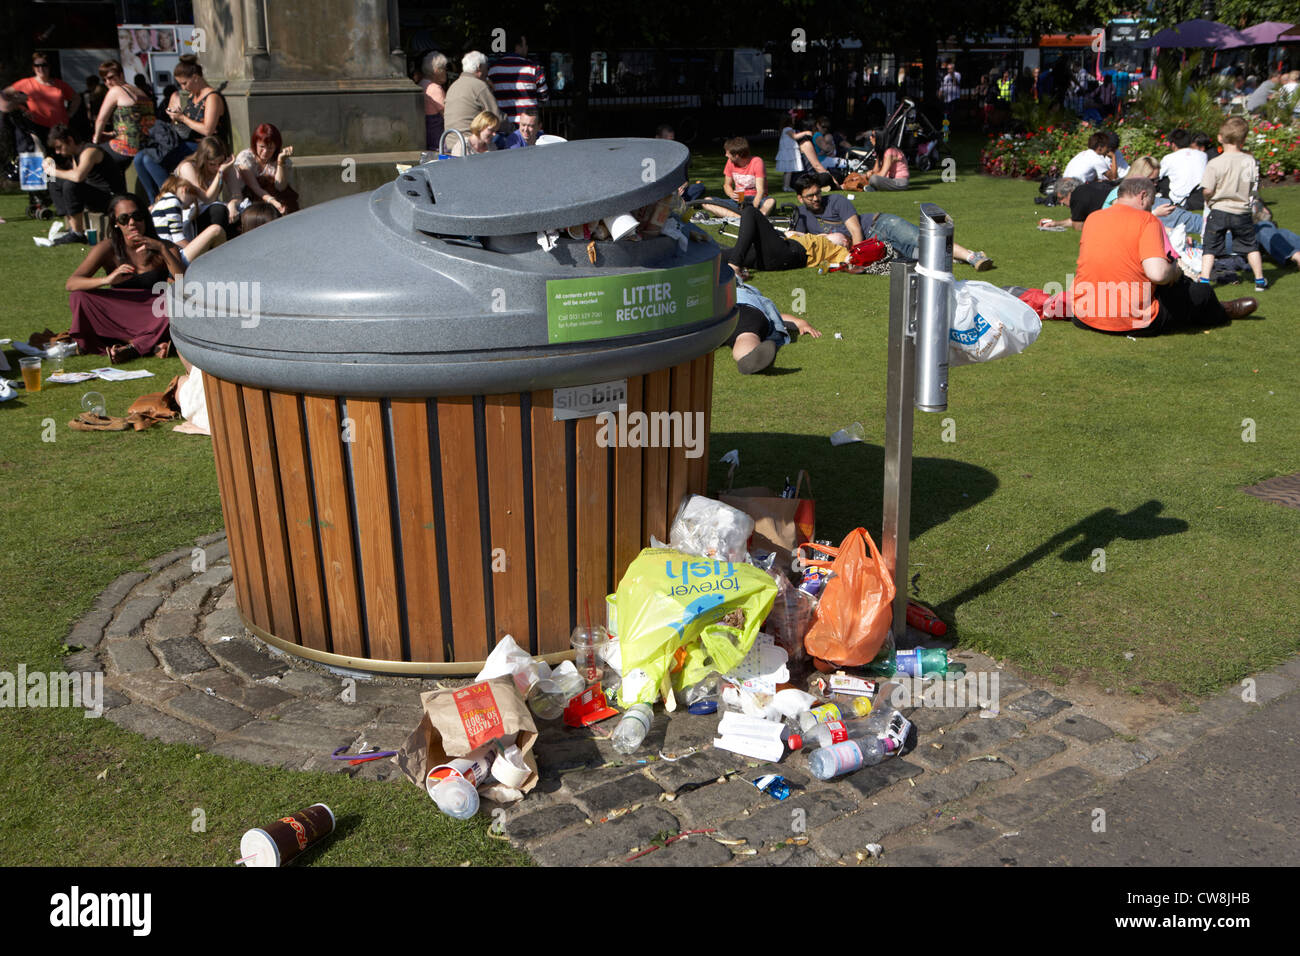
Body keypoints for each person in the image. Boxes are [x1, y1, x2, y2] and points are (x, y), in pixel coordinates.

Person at [1070, 177, 1256, 337]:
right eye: (1151, 204)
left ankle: (1214, 307)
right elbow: (1158, 274)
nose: (1150, 209)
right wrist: (1175, 270)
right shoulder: (1147, 220)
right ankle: (1222, 311)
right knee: (1199, 292)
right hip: (1132, 320)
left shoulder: (1094, 218)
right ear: (1143, 196)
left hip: (1084, 314)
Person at [65, 194, 186, 362]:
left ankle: (135, 346)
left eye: (137, 216)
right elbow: (72, 283)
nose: (132, 223)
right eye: (124, 218)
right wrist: (106, 281)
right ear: (116, 223)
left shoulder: (165, 246)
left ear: (145, 218)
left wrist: (161, 249)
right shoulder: (108, 247)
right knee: (79, 297)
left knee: (175, 302)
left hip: (153, 310)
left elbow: (183, 284)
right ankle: (145, 344)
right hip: (120, 309)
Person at [788, 173, 994, 270]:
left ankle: (973, 256)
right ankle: (955, 258)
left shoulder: (836, 200)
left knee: (920, 239)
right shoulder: (801, 215)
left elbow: (855, 229)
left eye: (817, 193)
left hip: (880, 226)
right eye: (809, 196)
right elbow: (803, 241)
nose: (815, 199)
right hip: (876, 247)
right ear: (799, 198)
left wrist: (858, 258)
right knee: (918, 257)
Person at [135, 54, 227, 202]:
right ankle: (153, 200)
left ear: (196, 77)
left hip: (204, 145)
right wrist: (176, 118)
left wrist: (183, 118)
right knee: (139, 158)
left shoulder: (212, 97)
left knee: (149, 160)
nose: (183, 88)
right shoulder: (193, 96)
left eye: (184, 83)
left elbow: (207, 130)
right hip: (187, 141)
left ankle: (168, 198)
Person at [1198, 117, 1265, 290]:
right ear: (1243, 139)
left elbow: (1207, 189)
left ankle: (1204, 279)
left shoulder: (1215, 163)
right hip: (1241, 210)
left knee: (1210, 246)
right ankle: (1259, 280)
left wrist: (1209, 199)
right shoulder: (1249, 161)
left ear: (1220, 137)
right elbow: (1252, 186)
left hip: (1219, 209)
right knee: (1250, 246)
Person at [41, 124, 124, 244]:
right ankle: (71, 226)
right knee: (54, 182)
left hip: (110, 197)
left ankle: (78, 233)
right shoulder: (75, 154)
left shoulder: (90, 151)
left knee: (71, 184)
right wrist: (52, 166)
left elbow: (78, 176)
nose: (57, 152)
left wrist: (54, 171)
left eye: (59, 147)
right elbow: (71, 175)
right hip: (95, 195)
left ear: (70, 140)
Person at [724, 279, 821, 374]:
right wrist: (800, 322)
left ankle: (749, 359)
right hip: (743, 309)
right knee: (746, 335)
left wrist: (800, 323)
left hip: (713, 310)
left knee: (739, 333)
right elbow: (779, 318)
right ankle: (747, 357)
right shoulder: (748, 295)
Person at [90, 59, 156, 173]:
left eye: (111, 77)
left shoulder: (116, 90)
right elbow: (136, 123)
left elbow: (101, 120)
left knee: (90, 156)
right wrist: (112, 134)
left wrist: (96, 139)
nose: (108, 83)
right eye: (104, 80)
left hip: (128, 147)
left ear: (121, 74)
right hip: (146, 144)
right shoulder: (140, 92)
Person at [149, 174, 226, 262]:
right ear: (184, 190)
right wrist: (198, 250)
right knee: (216, 230)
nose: (189, 206)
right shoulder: (173, 202)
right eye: (192, 200)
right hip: (173, 256)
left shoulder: (161, 203)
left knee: (179, 275)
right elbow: (177, 239)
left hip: (169, 258)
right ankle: (220, 263)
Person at [174, 136, 240, 236]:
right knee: (218, 211)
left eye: (220, 163)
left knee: (242, 214)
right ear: (202, 160)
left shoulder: (226, 166)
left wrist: (233, 204)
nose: (217, 167)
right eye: (212, 164)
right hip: (191, 216)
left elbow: (238, 195)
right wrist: (220, 173)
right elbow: (206, 198)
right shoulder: (188, 167)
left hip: (213, 211)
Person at [10, 53, 80, 141]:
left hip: (59, 129)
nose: (41, 68)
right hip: (37, 128)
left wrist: (69, 114)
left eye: (44, 65)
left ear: (49, 67)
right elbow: (6, 95)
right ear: (33, 68)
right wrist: (23, 109)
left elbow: (76, 98)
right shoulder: (26, 83)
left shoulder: (60, 84)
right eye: (37, 65)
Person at [231, 122, 298, 214]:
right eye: (261, 147)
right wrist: (273, 202)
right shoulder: (245, 158)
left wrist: (280, 161)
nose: (265, 152)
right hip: (251, 200)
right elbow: (255, 187)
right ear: (255, 144)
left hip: (276, 198)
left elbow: (280, 186)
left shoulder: (281, 160)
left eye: (270, 148)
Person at [487, 35, 548, 131]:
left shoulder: (492, 70)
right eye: (525, 45)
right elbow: (544, 97)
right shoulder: (534, 68)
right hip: (529, 127)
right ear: (517, 47)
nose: (527, 48)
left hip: (503, 126)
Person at [444, 51, 501, 138]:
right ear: (479, 67)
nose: (487, 72)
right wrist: (513, 128)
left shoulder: (453, 86)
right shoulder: (479, 86)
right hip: (469, 142)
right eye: (487, 68)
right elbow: (497, 118)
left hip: (449, 140)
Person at [1158, 129, 1210, 208]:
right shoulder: (1203, 155)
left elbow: (1157, 176)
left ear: (1173, 144)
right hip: (1200, 197)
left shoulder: (1169, 158)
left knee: (1161, 179)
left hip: (1181, 200)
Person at [722, 136, 774, 215]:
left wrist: (754, 207)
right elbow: (726, 185)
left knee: (770, 201)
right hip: (739, 199)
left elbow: (760, 191)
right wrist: (731, 193)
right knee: (707, 202)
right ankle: (739, 216)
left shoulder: (757, 162)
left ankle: (754, 215)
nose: (726, 155)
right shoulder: (730, 162)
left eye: (727, 153)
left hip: (756, 198)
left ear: (737, 155)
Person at [419, 51, 448, 151]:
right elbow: (447, 115)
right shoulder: (435, 89)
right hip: (438, 141)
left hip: (428, 137)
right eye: (444, 68)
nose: (446, 72)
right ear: (436, 71)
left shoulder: (422, 84)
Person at [775, 122, 801, 191]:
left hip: (787, 152)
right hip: (788, 153)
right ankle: (786, 186)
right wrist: (805, 133)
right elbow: (795, 136)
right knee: (789, 171)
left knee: (787, 171)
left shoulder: (785, 129)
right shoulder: (788, 129)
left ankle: (785, 185)